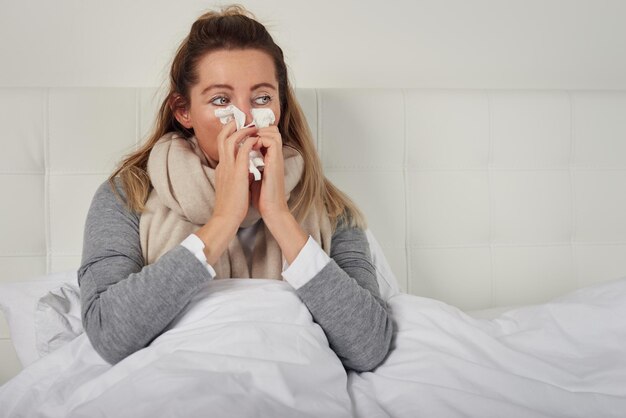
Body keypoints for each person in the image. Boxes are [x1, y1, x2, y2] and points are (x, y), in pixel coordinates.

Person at [78, 5, 393, 372]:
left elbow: (369, 345)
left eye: (261, 98)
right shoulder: (126, 195)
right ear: (183, 111)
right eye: (221, 100)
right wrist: (224, 218)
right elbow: (109, 332)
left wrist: (278, 214)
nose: (244, 119)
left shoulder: (328, 207)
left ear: (280, 106)